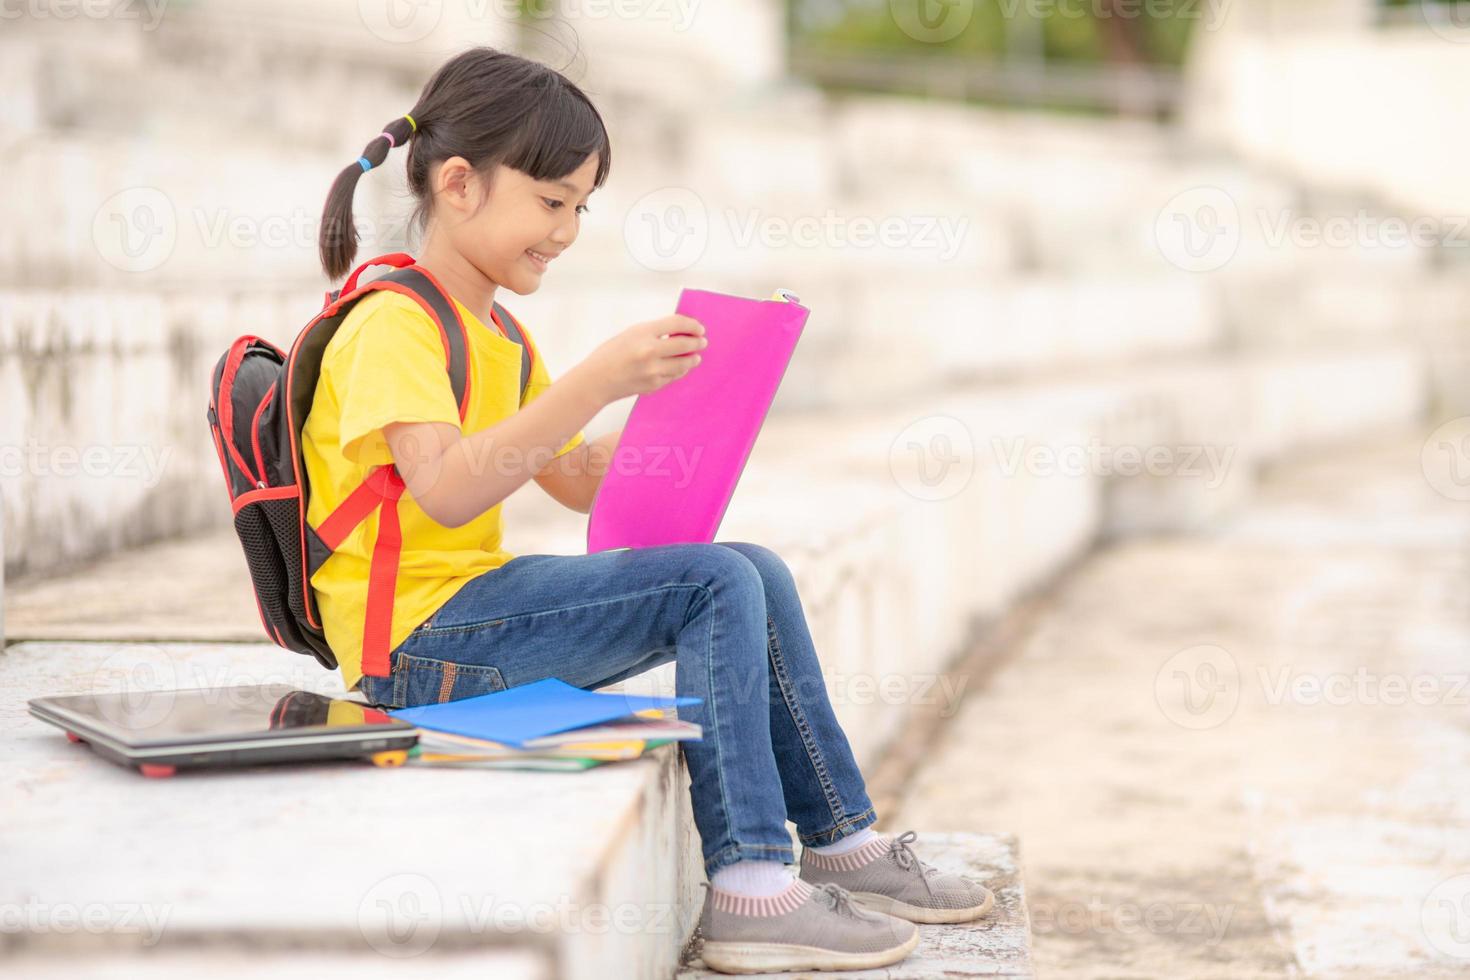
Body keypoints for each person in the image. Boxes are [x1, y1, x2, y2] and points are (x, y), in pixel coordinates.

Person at [302, 45, 991, 974]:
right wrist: (594, 380)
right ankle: (750, 884)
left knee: (753, 567)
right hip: (418, 653)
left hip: (474, 615)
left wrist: (692, 406)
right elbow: (450, 485)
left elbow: (572, 476)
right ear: (459, 183)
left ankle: (840, 837)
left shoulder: (494, 331)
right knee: (712, 582)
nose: (568, 229)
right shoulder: (393, 323)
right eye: (551, 202)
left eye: (580, 207)